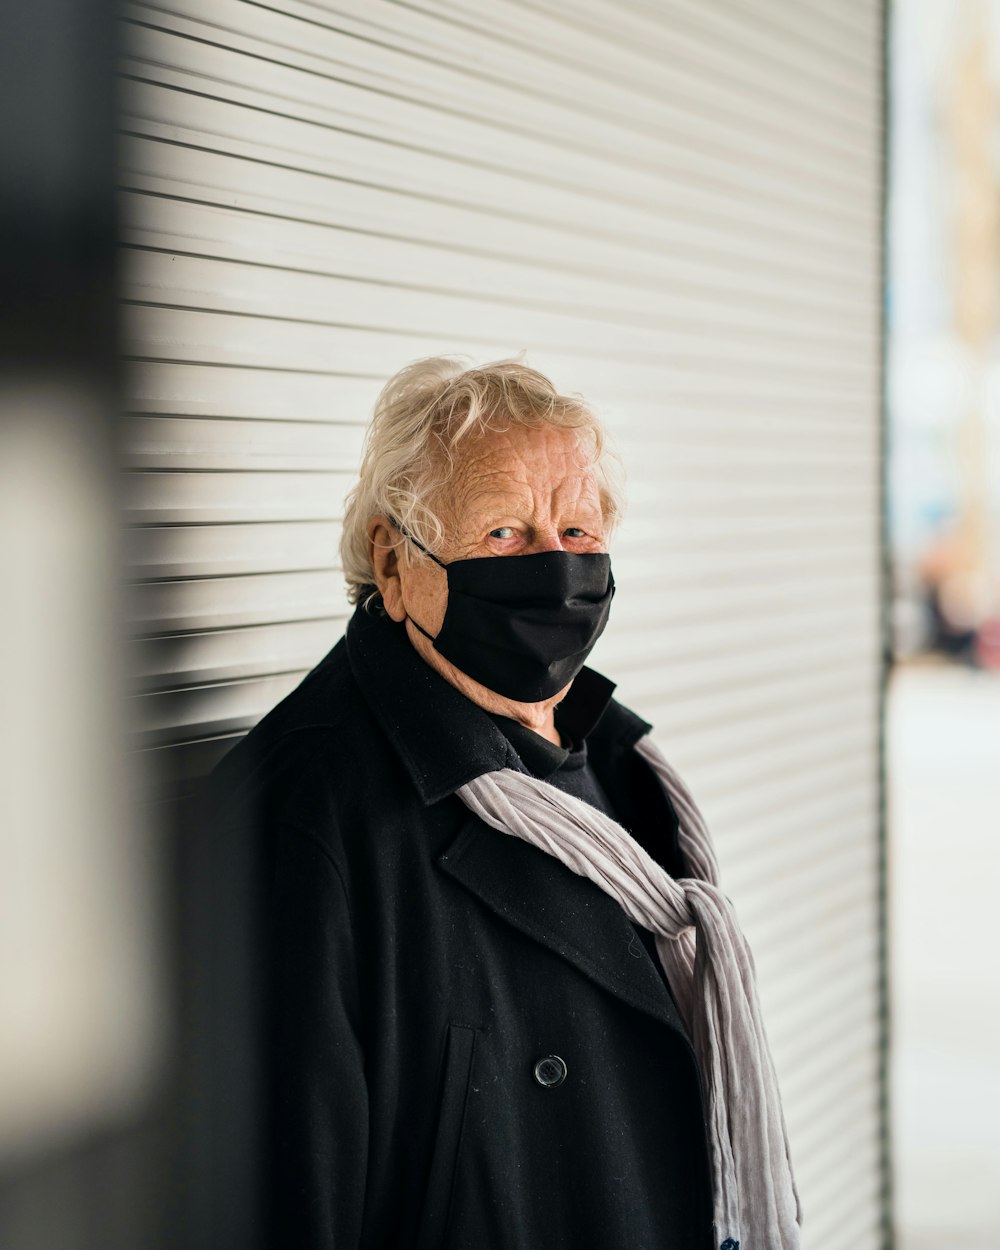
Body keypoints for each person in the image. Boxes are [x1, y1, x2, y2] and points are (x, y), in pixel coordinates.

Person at [200, 356, 801, 1250]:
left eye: (577, 528)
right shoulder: (302, 815)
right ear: (394, 561)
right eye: (507, 535)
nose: (557, 570)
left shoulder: (622, 765)